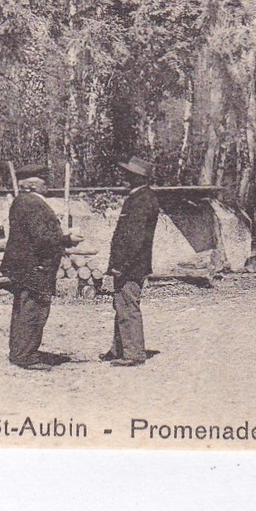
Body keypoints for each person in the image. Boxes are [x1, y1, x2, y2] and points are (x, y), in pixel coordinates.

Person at [1, 164, 79, 370]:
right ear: (33, 184)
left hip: (26, 266)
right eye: (44, 180)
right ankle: (25, 355)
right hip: (34, 266)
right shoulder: (32, 204)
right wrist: (67, 239)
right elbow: (41, 238)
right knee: (34, 310)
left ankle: (21, 351)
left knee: (24, 308)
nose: (48, 184)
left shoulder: (23, 202)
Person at [104, 156, 161, 367]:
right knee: (121, 306)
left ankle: (134, 354)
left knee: (128, 307)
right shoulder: (138, 198)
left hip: (131, 266)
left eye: (129, 175)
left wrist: (121, 267)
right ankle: (119, 349)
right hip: (129, 264)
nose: (125, 177)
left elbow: (134, 240)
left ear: (138, 178)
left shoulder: (142, 200)